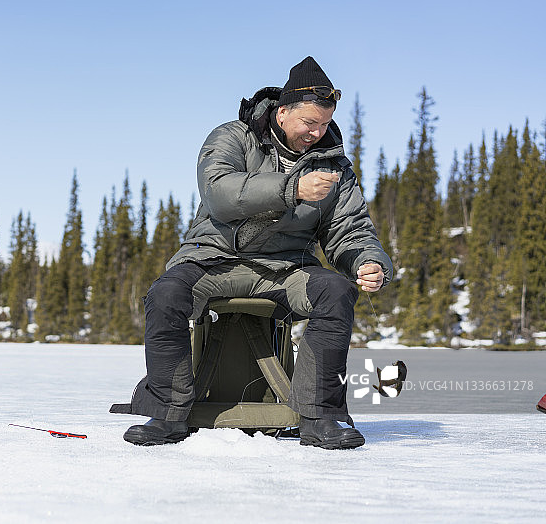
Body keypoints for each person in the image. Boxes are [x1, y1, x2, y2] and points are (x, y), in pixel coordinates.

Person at [118, 56, 392, 449]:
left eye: (325, 123)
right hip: (211, 258)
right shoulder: (231, 137)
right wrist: (291, 189)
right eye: (309, 123)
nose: (317, 132)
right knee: (166, 295)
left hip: (285, 268)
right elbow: (220, 193)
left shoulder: (335, 168)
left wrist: (369, 261)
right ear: (283, 112)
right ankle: (166, 414)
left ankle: (320, 417)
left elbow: (349, 229)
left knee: (335, 291)